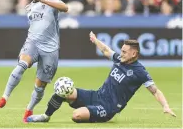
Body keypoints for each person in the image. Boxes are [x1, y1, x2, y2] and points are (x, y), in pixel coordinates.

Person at [26, 31, 176, 123]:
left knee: (76, 115)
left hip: (108, 107)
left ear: (134, 54)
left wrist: (166, 106)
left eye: (124, 52)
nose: (121, 53)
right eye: (121, 50)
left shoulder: (140, 71)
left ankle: (91, 113)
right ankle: (46, 116)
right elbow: (106, 50)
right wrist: (95, 40)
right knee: (62, 91)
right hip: (96, 95)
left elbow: (155, 91)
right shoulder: (119, 59)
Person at [0, 0, 68, 122]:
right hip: (32, 43)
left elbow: (65, 8)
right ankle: (4, 98)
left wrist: (43, 0)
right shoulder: (29, 7)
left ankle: (29, 110)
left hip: (50, 49)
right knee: (21, 66)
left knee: (40, 87)